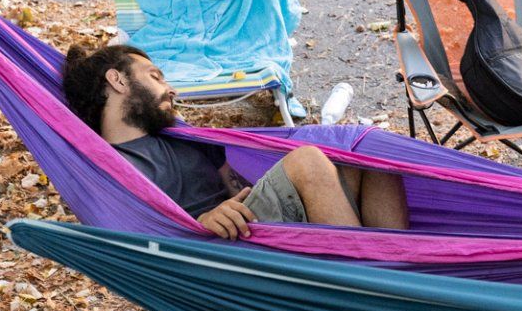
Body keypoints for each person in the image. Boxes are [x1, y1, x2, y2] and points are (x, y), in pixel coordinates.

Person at [61, 43, 410, 240]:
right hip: (213, 250)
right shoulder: (107, 168)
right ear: (118, 81)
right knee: (306, 162)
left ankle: (402, 275)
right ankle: (372, 288)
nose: (171, 89)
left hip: (250, 228)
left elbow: (237, 189)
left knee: (371, 154)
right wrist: (200, 223)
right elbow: (139, 236)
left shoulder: (183, 138)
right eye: (156, 77)